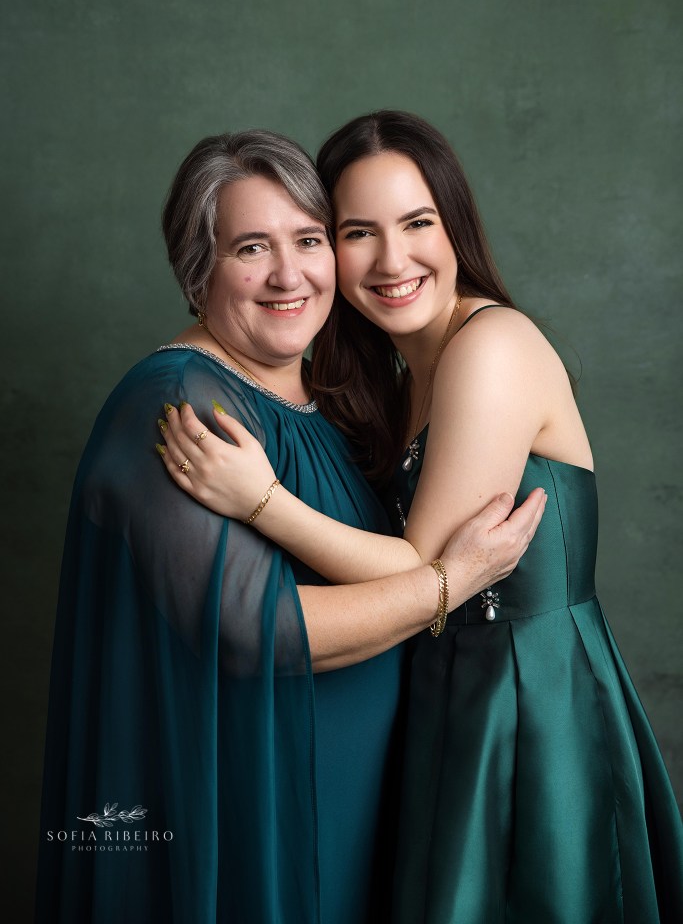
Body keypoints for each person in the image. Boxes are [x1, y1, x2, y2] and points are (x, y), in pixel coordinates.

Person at [160, 112, 683, 924]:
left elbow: (414, 571)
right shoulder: (401, 374)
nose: (392, 259)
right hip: (445, 694)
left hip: (532, 703)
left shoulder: (490, 345)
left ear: (455, 227)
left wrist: (258, 499)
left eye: (416, 223)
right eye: (357, 232)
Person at [35, 128, 545, 924]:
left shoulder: (324, 402)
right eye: (249, 248)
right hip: (255, 818)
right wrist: (453, 580)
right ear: (195, 267)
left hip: (355, 813)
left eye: (308, 239)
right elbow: (257, 631)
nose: (288, 274)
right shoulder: (180, 403)